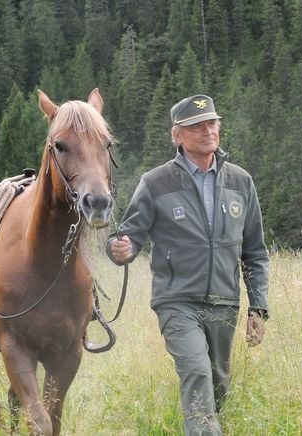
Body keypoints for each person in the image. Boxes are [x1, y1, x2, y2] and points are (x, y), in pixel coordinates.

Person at [107, 94, 270, 435]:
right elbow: (129, 236)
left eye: (212, 123)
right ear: (177, 135)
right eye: (196, 126)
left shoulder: (241, 182)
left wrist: (259, 307)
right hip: (176, 301)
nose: (207, 131)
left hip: (225, 303)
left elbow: (254, 252)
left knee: (217, 383)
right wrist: (120, 248)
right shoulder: (155, 182)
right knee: (196, 370)